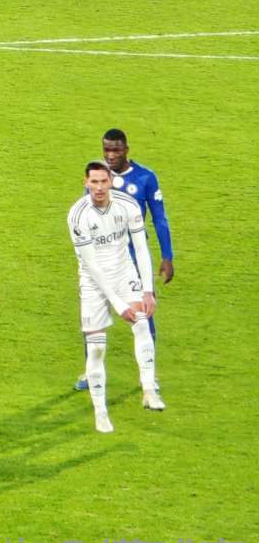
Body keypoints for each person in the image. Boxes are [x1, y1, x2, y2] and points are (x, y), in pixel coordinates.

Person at [74, 127, 174, 391]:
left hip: (132, 259)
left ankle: (149, 375)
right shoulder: (97, 179)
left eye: (116, 150)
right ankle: (91, 372)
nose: (111, 155)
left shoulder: (145, 178)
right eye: (107, 150)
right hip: (102, 258)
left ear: (126, 150)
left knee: (143, 314)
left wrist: (167, 256)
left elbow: (159, 218)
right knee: (93, 317)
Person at [69, 159, 164, 433]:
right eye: (94, 182)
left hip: (124, 272)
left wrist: (147, 290)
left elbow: (141, 248)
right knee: (96, 348)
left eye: (103, 181)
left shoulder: (128, 206)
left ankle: (149, 390)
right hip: (93, 282)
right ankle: (101, 413)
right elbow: (92, 266)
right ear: (86, 183)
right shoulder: (78, 216)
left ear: (111, 181)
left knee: (142, 322)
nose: (99, 187)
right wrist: (118, 304)